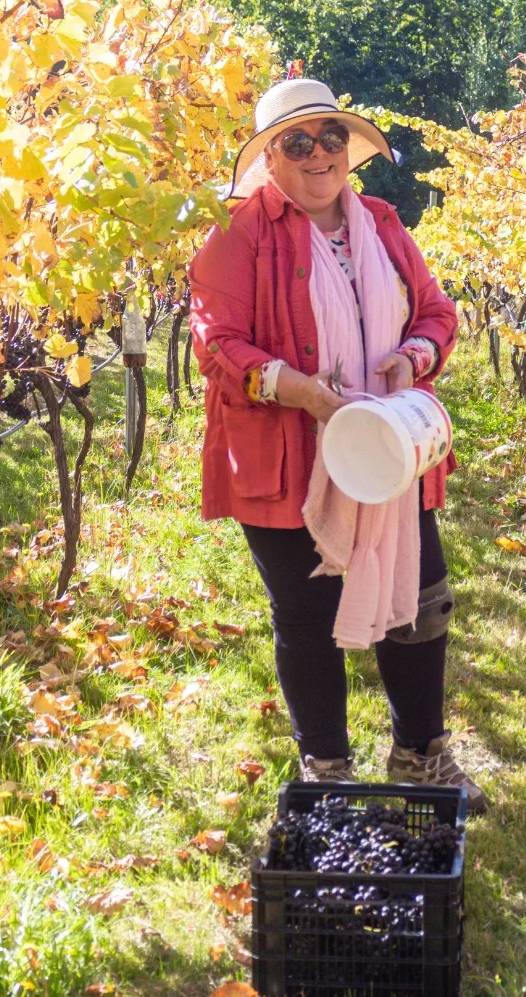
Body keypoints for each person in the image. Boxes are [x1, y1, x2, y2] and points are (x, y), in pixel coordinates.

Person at [187, 77, 487, 812]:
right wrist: (301, 391)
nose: (318, 154)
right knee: (306, 612)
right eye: (297, 142)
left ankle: (420, 752)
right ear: (270, 158)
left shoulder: (382, 222)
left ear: (348, 151)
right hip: (290, 456)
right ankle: (326, 762)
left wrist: (414, 357)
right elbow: (217, 344)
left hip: (387, 445)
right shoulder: (236, 238)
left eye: (331, 139)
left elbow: (438, 313)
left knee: (421, 599)